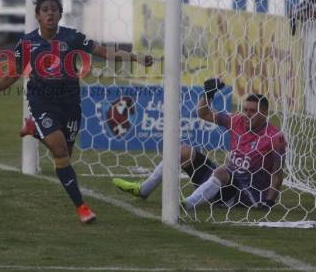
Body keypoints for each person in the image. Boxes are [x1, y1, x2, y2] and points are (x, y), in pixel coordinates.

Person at [0, 0, 153, 223]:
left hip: (69, 102)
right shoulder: (27, 42)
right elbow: (14, 74)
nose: (49, 14)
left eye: (54, 10)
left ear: (60, 14)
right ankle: (82, 208)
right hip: (41, 101)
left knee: (66, 156)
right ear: (37, 15)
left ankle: (34, 129)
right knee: (59, 151)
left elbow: (104, 52)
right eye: (45, 10)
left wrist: (134, 57)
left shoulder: (72, 37)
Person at [113, 79, 287, 212]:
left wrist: (269, 202)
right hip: (223, 185)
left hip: (245, 196)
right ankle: (144, 189)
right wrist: (208, 94)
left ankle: (186, 205)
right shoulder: (237, 121)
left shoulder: (274, 137)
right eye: (246, 109)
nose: (247, 114)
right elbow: (203, 113)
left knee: (221, 171)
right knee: (183, 151)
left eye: (253, 111)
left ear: (264, 113)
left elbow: (277, 173)